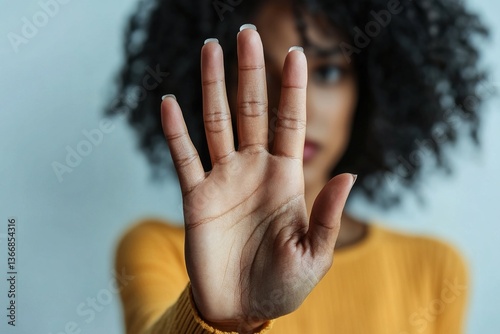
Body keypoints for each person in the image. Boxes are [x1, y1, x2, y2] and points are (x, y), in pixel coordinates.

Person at [110, 0, 488, 332]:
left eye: (326, 72)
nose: (296, 107)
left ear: (369, 94)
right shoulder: (160, 249)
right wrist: (223, 320)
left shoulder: (434, 268)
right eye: (253, 73)